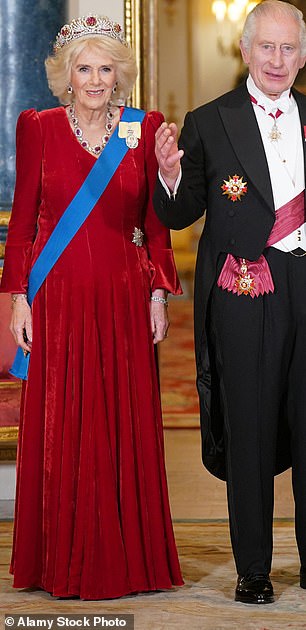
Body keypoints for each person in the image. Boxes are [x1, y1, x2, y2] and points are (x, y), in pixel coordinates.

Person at [0, 14, 183, 600]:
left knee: (121, 420)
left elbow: (154, 222)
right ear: (66, 76)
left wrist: (157, 292)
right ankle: (60, 559)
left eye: (106, 69)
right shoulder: (40, 128)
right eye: (85, 68)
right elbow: (24, 221)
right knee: (63, 423)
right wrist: (18, 300)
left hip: (124, 299)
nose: (96, 80)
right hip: (58, 299)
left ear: (119, 75)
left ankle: (128, 559)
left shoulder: (143, 127)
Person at [154, 0, 306, 605]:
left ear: (302, 53)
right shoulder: (209, 121)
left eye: (288, 47)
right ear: (244, 50)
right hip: (248, 293)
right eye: (266, 47)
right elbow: (177, 212)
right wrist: (168, 175)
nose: (277, 59)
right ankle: (254, 569)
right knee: (249, 428)